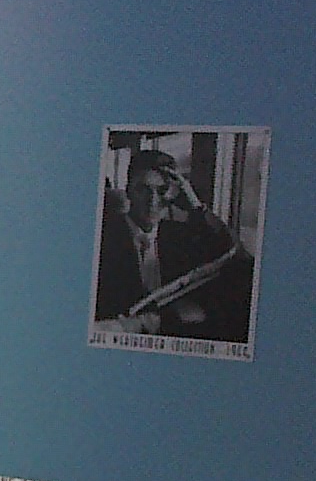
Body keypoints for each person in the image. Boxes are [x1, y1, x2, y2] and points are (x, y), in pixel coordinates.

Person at [93, 145, 253, 342]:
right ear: (128, 191)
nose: (152, 201)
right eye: (143, 189)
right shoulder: (103, 237)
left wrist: (195, 206)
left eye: (161, 191)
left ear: (172, 195)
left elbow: (238, 258)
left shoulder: (180, 237)